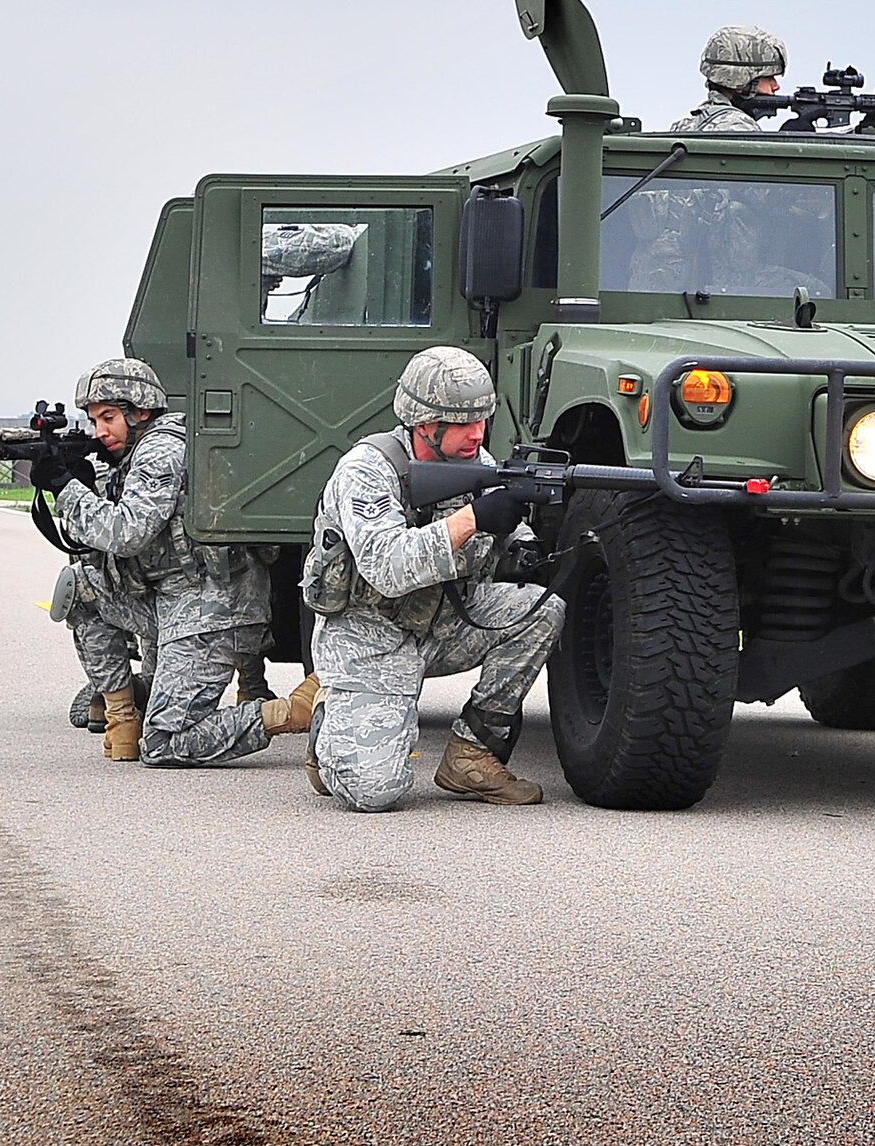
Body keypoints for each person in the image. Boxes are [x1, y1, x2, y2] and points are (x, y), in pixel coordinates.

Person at [304, 346, 564, 811]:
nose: (478, 434)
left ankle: (473, 754)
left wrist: (521, 542)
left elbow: (498, 518)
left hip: (440, 625)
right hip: (368, 637)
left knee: (541, 609)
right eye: (464, 423)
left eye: (482, 420)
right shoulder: (366, 470)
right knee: (372, 793)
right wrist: (473, 519)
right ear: (425, 423)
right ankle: (331, 726)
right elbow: (385, 565)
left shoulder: (474, 460)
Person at [30, 357, 317, 764]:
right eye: (94, 421)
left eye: (108, 417)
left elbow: (127, 533)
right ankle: (121, 721)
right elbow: (96, 546)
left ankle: (287, 713)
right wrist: (84, 483)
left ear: (140, 410)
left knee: (166, 744)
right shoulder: (136, 453)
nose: (100, 431)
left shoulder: (162, 449)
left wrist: (66, 489)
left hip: (213, 612)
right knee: (80, 587)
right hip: (173, 602)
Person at [670, 24, 787, 133]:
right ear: (740, 81)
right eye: (768, 78)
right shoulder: (738, 127)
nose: (776, 86)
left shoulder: (684, 126)